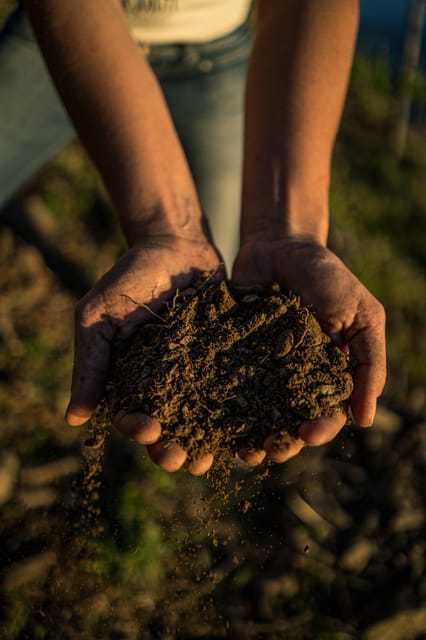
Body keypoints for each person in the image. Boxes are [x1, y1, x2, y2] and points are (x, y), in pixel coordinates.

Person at [6, 0, 386, 475]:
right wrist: (166, 229)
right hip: (63, 36)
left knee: (221, 274)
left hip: (215, 49)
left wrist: (292, 233)